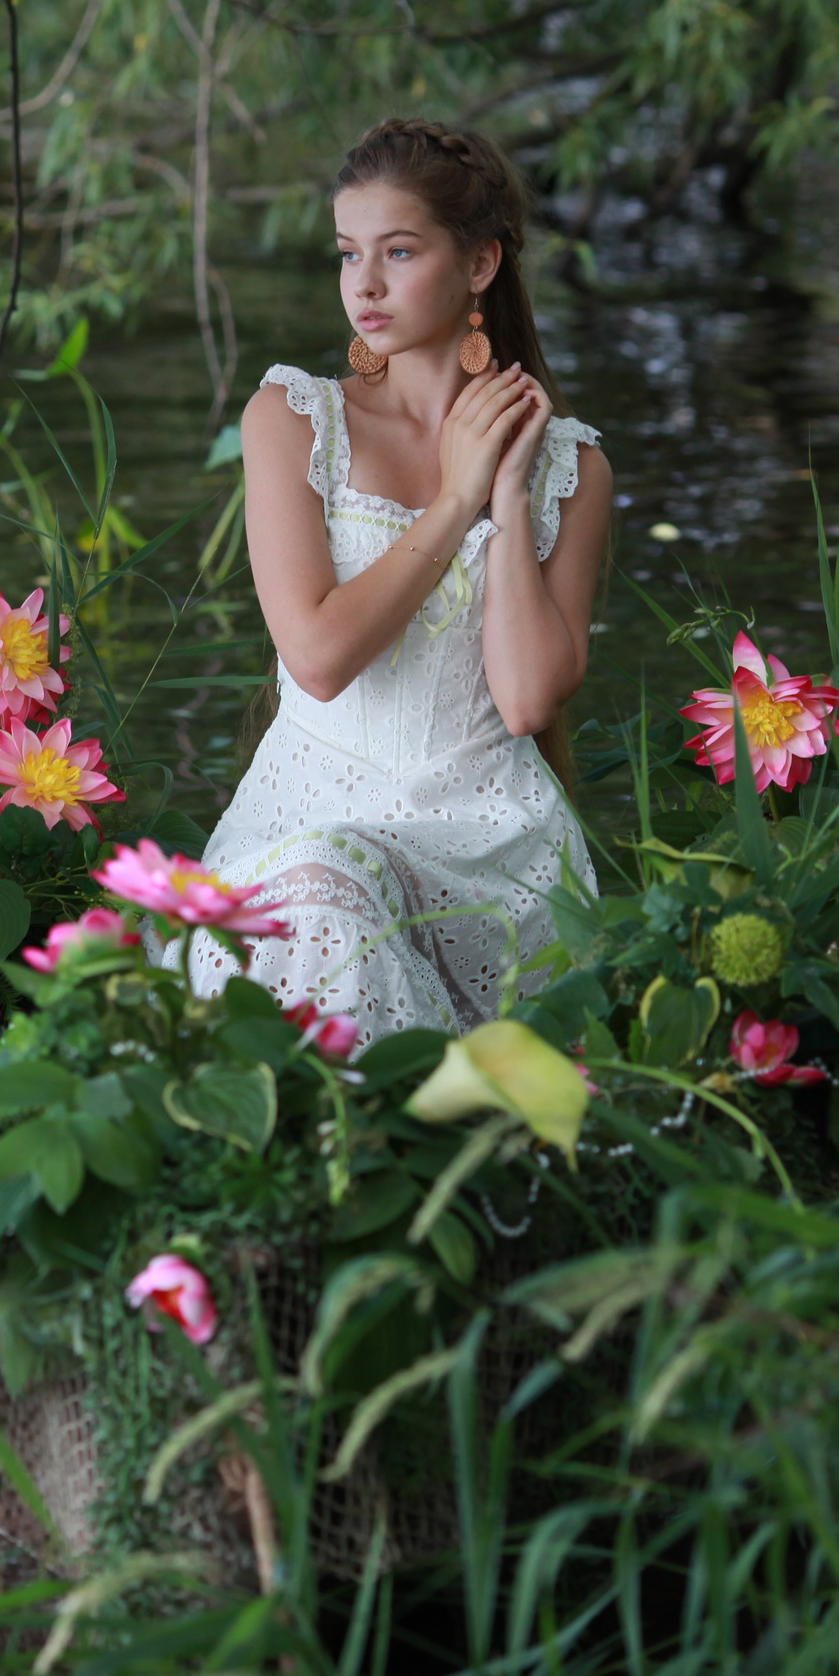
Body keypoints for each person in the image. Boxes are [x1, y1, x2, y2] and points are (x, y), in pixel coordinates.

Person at [183, 117, 611, 1042]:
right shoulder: (294, 419)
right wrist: (454, 501)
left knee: (335, 893)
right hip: (311, 816)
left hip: (490, 843)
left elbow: (530, 698)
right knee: (323, 888)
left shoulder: (569, 466)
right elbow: (320, 656)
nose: (363, 286)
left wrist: (502, 491)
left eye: (399, 251)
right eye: (348, 255)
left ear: (481, 264)